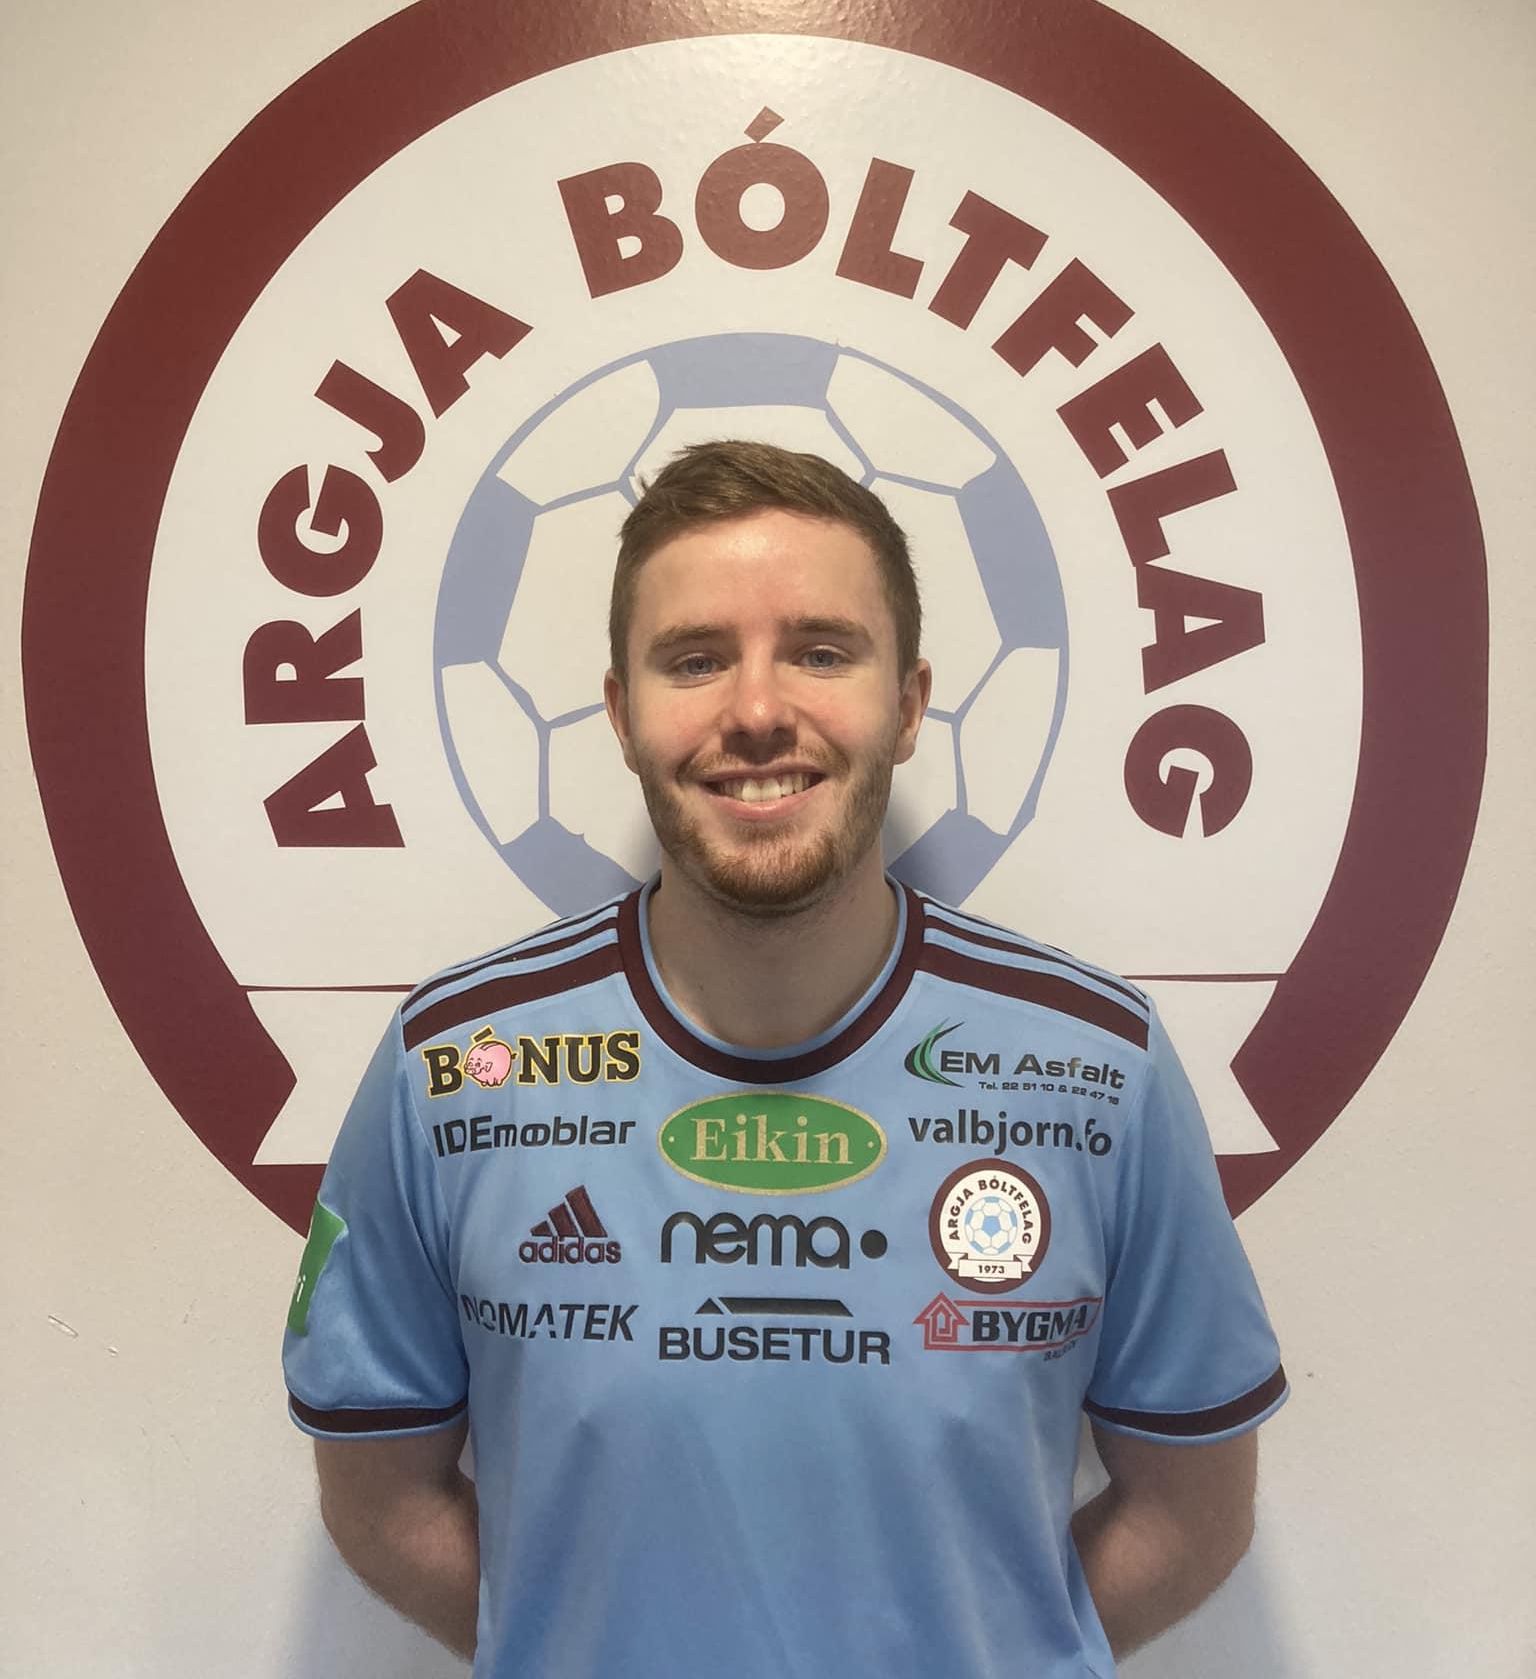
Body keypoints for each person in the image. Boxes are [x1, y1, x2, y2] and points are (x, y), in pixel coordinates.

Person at [283, 440, 1286, 1677]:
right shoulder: (453, 1068)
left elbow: (1195, 1507)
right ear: (621, 712)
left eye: (820, 651)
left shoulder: (1097, 1066)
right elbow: (379, 1495)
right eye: (696, 658)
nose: (757, 710)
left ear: (909, 704)